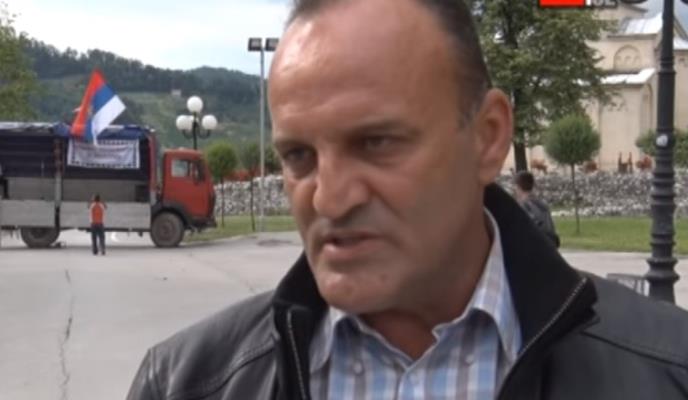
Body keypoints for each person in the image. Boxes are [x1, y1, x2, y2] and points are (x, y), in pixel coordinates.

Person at [128, 0, 688, 399]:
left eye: (376, 143)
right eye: (298, 155)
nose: (330, 198)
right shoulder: (185, 383)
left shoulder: (666, 371)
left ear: (488, 137)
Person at [514, 170, 560, 247]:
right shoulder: (542, 204)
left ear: (518, 186)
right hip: (549, 245)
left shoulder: (523, 206)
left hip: (534, 246)